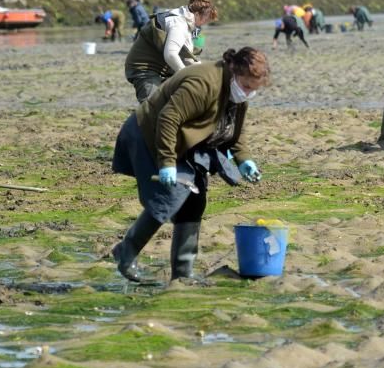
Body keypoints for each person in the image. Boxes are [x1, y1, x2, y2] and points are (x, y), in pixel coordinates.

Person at [110, 47, 270, 282]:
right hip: (150, 134)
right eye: (246, 87)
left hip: (187, 140)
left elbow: (235, 127)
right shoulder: (203, 83)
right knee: (170, 196)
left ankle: (183, 273)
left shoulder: (236, 91)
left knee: (195, 200)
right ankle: (126, 251)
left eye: (253, 90)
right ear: (234, 71)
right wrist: (166, 163)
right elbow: (168, 119)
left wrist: (244, 160)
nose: (248, 94)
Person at [124, 0, 218, 103]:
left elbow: (187, 58)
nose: (204, 24)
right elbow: (171, 55)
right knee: (151, 108)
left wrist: (203, 72)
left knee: (179, 102)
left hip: (161, 69)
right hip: (143, 69)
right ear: (197, 15)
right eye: (205, 20)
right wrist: (187, 76)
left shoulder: (184, 18)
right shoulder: (178, 24)